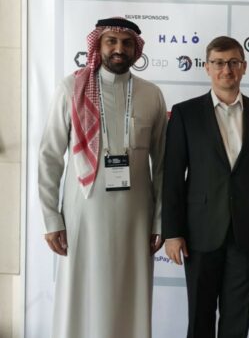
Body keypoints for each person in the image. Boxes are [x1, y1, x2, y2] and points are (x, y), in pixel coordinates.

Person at [38, 17, 167, 338]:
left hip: (136, 216)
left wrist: (159, 220)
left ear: (136, 49)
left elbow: (164, 165)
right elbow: (50, 156)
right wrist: (52, 219)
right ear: (98, 45)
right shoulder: (72, 89)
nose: (119, 49)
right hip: (83, 214)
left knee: (130, 294)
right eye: (111, 41)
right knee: (81, 293)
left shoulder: (151, 94)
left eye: (126, 43)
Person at [162, 36, 249, 338]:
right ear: (207, 67)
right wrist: (172, 232)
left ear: (244, 67)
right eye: (218, 63)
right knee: (200, 317)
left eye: (233, 62)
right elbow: (172, 177)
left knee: (237, 318)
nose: (226, 70)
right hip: (199, 232)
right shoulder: (185, 113)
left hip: (246, 231)